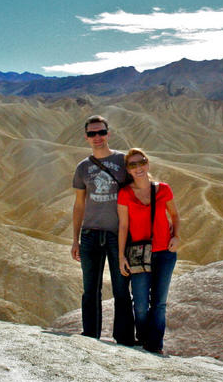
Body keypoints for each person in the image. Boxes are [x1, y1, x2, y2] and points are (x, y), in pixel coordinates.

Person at [71, 115, 135, 346]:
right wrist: (75, 240)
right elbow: (79, 205)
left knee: (121, 289)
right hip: (89, 234)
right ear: (86, 137)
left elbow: (137, 194)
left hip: (118, 236)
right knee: (90, 290)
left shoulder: (122, 161)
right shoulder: (83, 168)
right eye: (92, 134)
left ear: (108, 133)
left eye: (101, 132)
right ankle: (91, 336)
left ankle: (125, 338)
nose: (97, 137)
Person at [117, 148, 180, 354]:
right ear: (128, 170)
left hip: (164, 253)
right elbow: (123, 226)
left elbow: (175, 215)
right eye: (133, 165)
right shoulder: (125, 193)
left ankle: (155, 346)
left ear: (147, 163)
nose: (138, 168)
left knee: (159, 303)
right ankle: (143, 339)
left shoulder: (163, 189)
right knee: (141, 304)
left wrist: (176, 236)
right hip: (138, 254)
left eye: (141, 162)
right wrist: (121, 256)